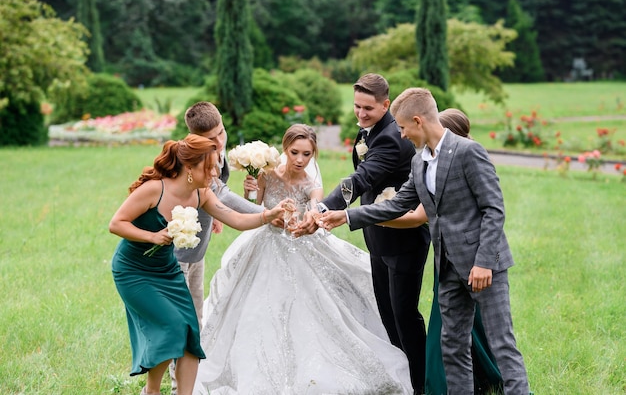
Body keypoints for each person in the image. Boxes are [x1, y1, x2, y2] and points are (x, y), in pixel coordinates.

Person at [319, 88, 530, 394]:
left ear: (418, 121)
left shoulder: (468, 152)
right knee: (452, 347)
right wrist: (347, 216)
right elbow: (397, 204)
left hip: (484, 267)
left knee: (502, 344)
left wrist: (484, 262)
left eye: (403, 128)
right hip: (447, 268)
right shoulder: (420, 162)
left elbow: (494, 210)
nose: (401, 135)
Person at [193, 124, 413, 394]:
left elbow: (313, 214)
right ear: (285, 149)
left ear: (314, 154)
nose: (300, 160)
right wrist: (252, 187)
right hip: (266, 243)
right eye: (295, 152)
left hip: (299, 242)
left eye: (307, 154)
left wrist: (299, 220)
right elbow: (255, 205)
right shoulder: (267, 175)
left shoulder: (311, 184)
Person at [109, 134, 286, 395]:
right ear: (190, 168)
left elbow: (234, 218)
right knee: (172, 326)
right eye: (210, 166)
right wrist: (152, 236)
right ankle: (152, 391)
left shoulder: (201, 193)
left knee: (191, 332)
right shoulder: (155, 189)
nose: (215, 172)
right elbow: (116, 223)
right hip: (134, 270)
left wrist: (267, 216)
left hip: (166, 270)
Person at [303, 73, 431, 393]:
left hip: (403, 240)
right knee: (387, 314)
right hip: (376, 236)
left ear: (386, 104)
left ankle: (423, 382)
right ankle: (403, 381)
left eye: (368, 109)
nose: (361, 114)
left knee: (404, 317)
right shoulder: (369, 131)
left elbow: (361, 178)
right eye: (357, 107)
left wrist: (322, 209)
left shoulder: (391, 137)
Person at [169, 101, 264, 394]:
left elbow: (218, 193)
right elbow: (217, 194)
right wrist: (263, 212)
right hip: (176, 254)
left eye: (221, 132)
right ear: (195, 139)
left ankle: (187, 383)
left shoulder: (217, 150)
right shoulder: (192, 159)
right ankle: (177, 387)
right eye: (212, 139)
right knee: (180, 323)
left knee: (196, 318)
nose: (220, 141)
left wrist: (248, 190)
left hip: (197, 248)